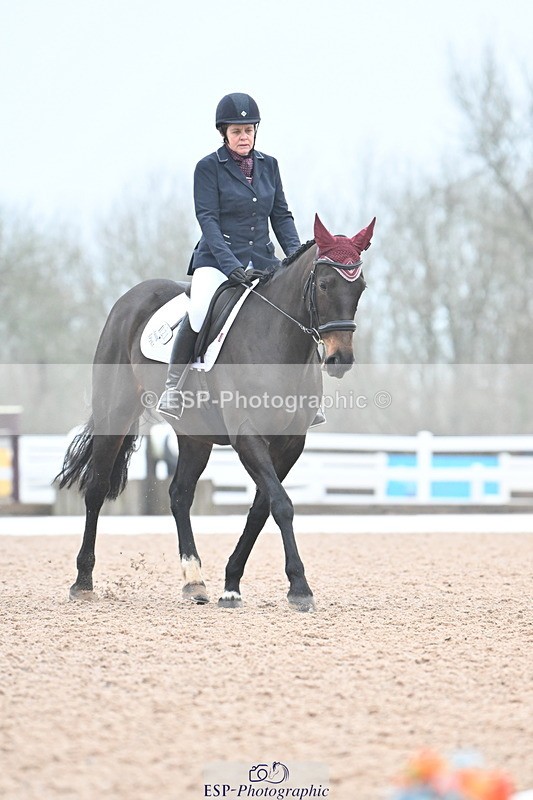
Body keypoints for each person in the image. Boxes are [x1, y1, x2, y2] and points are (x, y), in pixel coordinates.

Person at [158, 92, 302, 417]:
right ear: (224, 133)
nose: (243, 137)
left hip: (263, 261)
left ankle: (304, 391)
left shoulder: (270, 166)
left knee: (294, 311)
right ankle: (173, 387)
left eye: (248, 130)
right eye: (237, 131)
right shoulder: (208, 168)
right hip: (217, 260)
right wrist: (230, 265)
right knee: (198, 310)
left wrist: (295, 258)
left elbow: (281, 216)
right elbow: (207, 219)